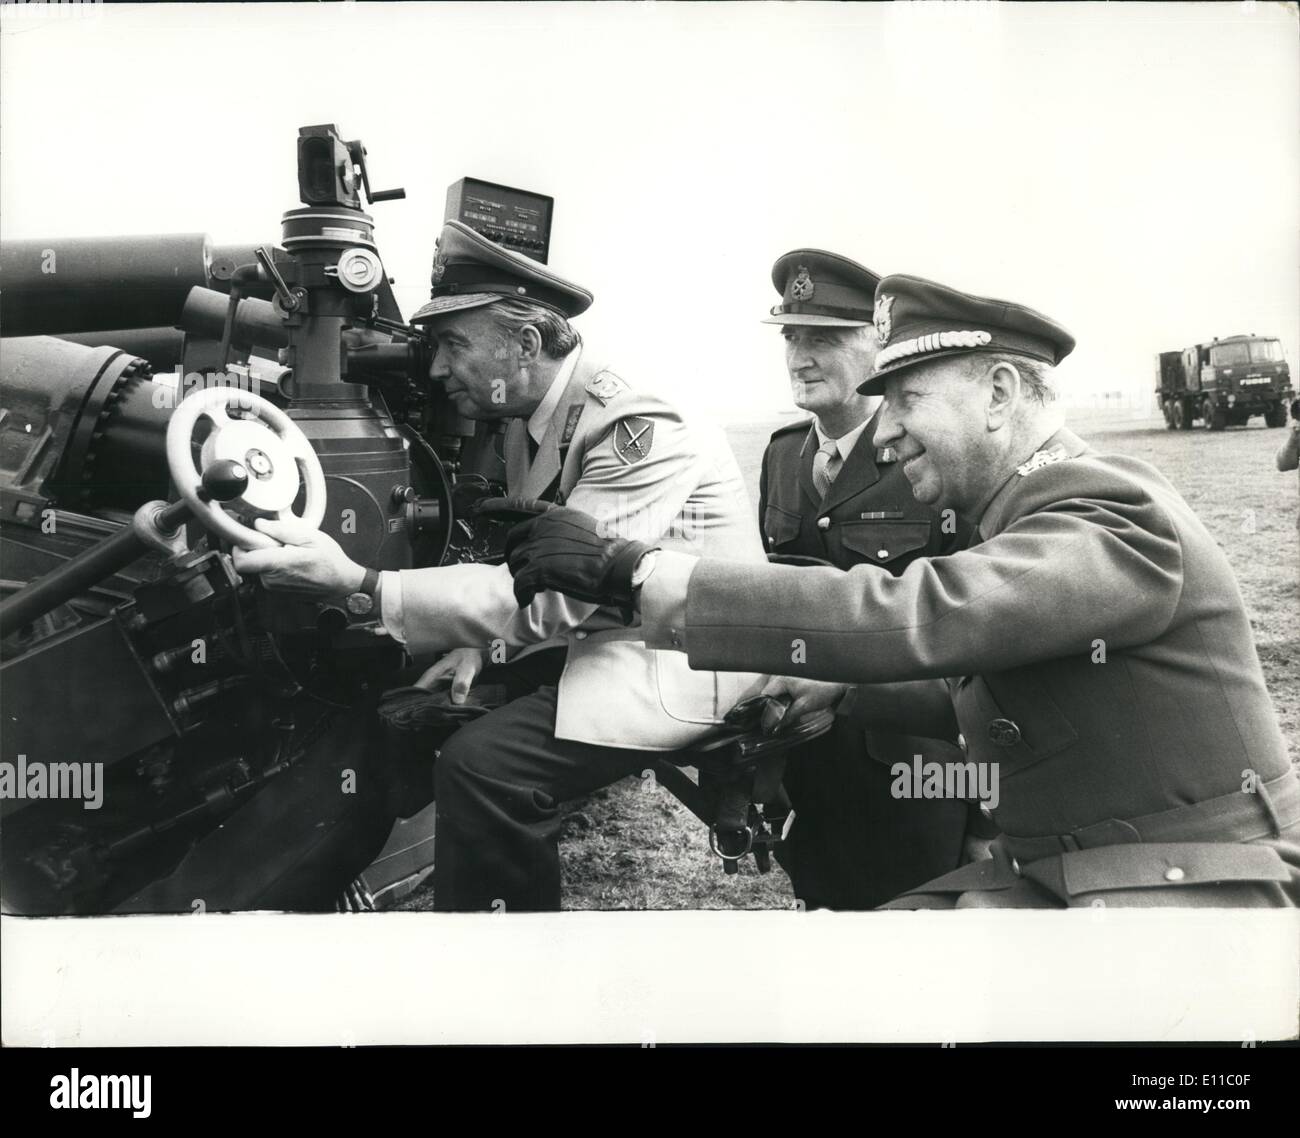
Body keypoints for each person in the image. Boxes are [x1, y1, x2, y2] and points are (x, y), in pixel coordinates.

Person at [505, 272, 1300, 908]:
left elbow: (923, 612)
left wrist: (634, 570)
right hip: (1081, 869)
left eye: (908, 400)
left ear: (998, 394)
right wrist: (842, 696)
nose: (882, 433)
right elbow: (998, 686)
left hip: (1193, 887)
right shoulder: (1023, 510)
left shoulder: (1108, 510)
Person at [233, 220, 766, 911]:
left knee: (484, 769)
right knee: (398, 716)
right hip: (606, 630)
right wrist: (482, 651)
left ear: (526, 343)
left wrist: (362, 584)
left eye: (453, 344)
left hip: (686, 655)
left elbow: (563, 591)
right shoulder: (526, 417)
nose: (435, 369)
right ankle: (318, 894)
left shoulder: (634, 419)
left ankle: (509, 974)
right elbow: (536, 573)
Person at [755, 249, 977, 908]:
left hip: (911, 771)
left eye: (823, 337)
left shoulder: (929, 460)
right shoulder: (783, 454)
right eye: (792, 336)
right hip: (806, 763)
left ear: (878, 347)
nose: (800, 355)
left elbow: (973, 638)